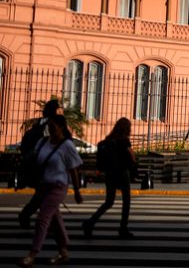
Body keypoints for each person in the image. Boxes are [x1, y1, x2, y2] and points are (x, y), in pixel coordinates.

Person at [17, 115, 83, 268]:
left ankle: (32, 255)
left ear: (61, 127)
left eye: (53, 126)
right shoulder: (43, 142)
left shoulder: (67, 145)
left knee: (43, 219)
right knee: (54, 219)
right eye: (49, 126)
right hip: (43, 186)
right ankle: (63, 252)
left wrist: (77, 191)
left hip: (58, 186)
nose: (50, 129)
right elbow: (33, 160)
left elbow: (73, 170)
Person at [83, 118, 136, 239]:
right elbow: (132, 157)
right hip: (122, 174)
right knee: (126, 202)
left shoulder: (109, 139)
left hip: (110, 174)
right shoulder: (124, 140)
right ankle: (123, 229)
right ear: (127, 128)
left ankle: (90, 223)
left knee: (109, 202)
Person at [18, 99, 61, 229]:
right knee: (45, 197)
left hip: (36, 165)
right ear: (55, 110)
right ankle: (30, 217)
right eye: (59, 109)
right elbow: (50, 144)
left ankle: (49, 223)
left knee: (43, 196)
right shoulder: (50, 125)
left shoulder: (39, 124)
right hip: (44, 167)